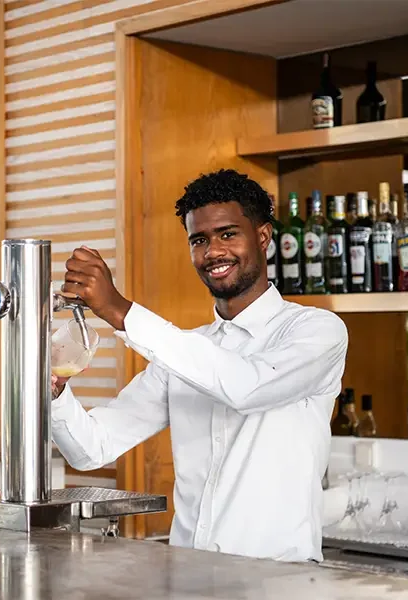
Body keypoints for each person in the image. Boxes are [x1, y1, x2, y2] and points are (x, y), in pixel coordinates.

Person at [51, 168, 348, 562]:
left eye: (228, 234)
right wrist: (53, 392)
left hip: (279, 582)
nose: (213, 252)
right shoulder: (186, 353)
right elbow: (91, 448)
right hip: (189, 577)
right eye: (199, 240)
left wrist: (122, 312)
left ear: (262, 237)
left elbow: (247, 387)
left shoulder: (316, 331)